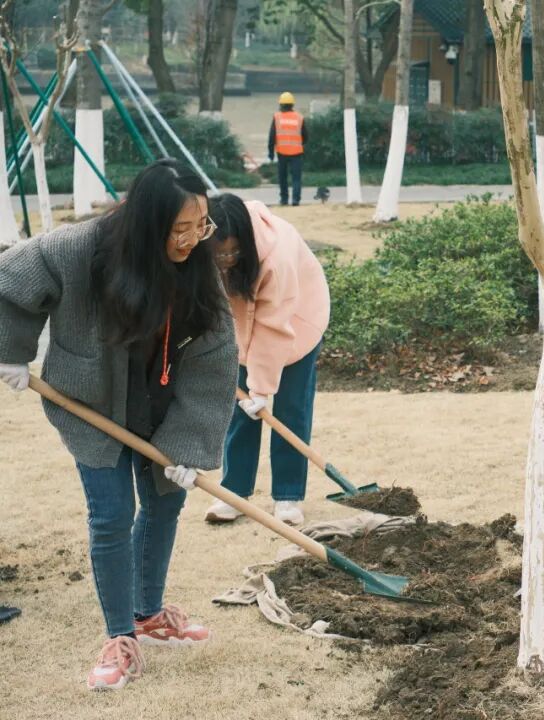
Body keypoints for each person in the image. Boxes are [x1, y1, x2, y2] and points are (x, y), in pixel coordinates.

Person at [0, 159, 238, 690]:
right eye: (179, 228)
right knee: (111, 514)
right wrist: (11, 351)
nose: (192, 239)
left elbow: (216, 357)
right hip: (92, 399)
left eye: (201, 225)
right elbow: (12, 276)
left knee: (164, 503)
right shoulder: (82, 248)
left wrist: (189, 443)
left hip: (160, 405)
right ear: (148, 224)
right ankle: (119, 635)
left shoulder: (197, 265)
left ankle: (148, 614)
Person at [202, 193, 329, 528]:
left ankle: (288, 496)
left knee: (290, 411)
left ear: (245, 242)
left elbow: (274, 328)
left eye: (233, 252)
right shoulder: (203, 252)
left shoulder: (277, 255)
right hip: (241, 329)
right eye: (219, 253)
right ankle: (234, 492)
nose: (226, 259)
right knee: (240, 412)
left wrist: (261, 389)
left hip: (297, 320)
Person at [268, 91, 307, 206]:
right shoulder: (299, 118)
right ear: (292, 105)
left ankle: (284, 199)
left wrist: (270, 152)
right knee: (296, 178)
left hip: (282, 152)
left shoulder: (277, 117)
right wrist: (299, 143)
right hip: (297, 153)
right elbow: (305, 136)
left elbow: (272, 136)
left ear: (281, 105)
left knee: (283, 178)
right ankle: (296, 200)